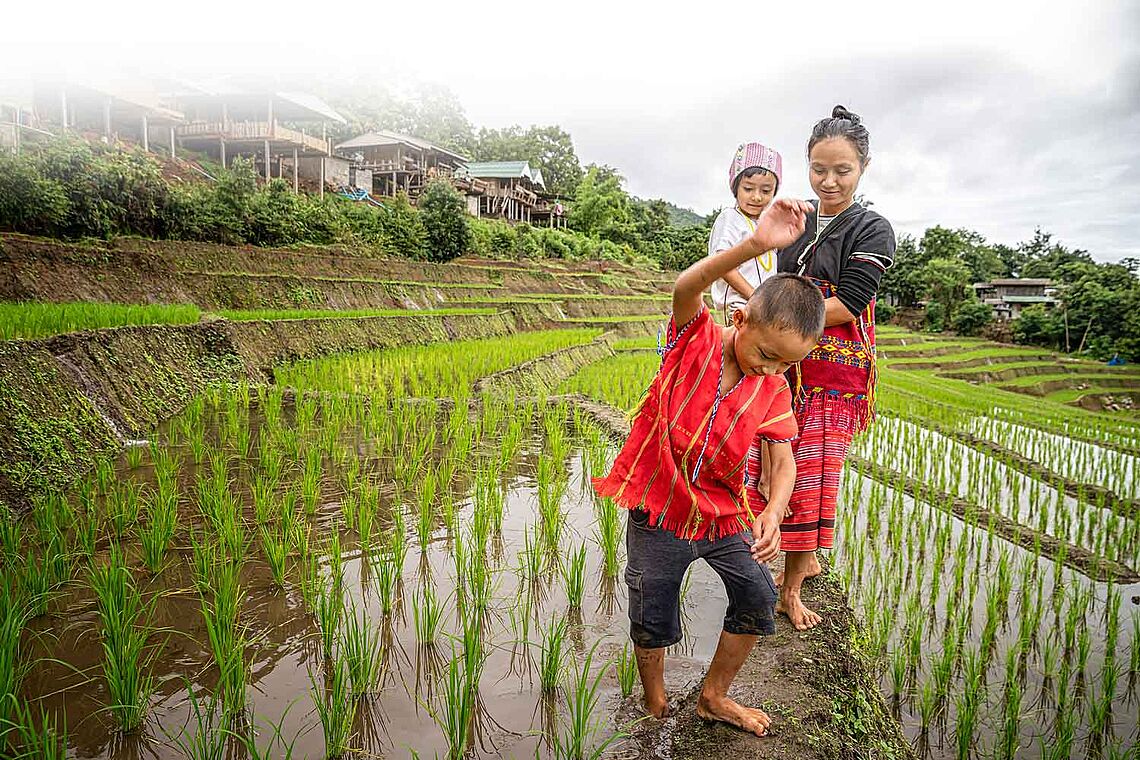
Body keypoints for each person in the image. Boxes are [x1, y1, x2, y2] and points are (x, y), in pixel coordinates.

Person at [593, 198, 826, 738]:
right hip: (661, 512)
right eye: (766, 353)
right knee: (652, 608)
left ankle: (713, 696)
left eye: (787, 363)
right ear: (740, 319)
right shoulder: (693, 340)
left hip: (722, 515)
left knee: (759, 596)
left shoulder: (772, 389)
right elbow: (685, 286)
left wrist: (773, 509)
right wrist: (755, 246)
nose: (772, 368)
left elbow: (785, 462)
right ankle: (654, 702)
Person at [748, 105, 896, 631]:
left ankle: (789, 591)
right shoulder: (798, 215)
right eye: (819, 169)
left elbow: (849, 304)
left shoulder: (873, 228)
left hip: (830, 377)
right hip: (784, 365)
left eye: (842, 170)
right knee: (765, 463)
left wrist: (781, 329)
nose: (829, 182)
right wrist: (773, 337)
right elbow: (779, 279)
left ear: (864, 168)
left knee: (808, 477)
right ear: (806, 166)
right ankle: (789, 558)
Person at [708, 142, 784, 323]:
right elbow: (723, 265)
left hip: (759, 307)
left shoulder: (766, 226)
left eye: (766, 191)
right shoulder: (730, 218)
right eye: (748, 188)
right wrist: (755, 296)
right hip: (736, 309)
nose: (757, 197)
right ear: (735, 187)